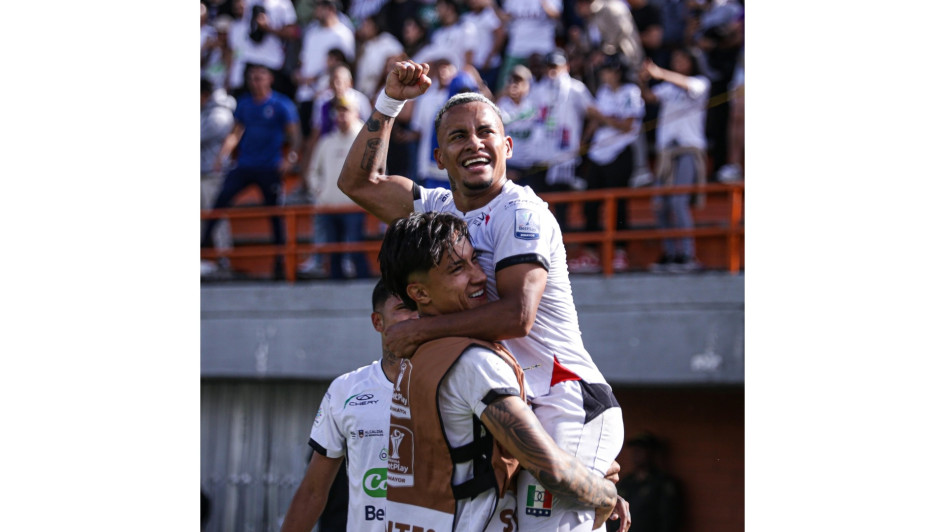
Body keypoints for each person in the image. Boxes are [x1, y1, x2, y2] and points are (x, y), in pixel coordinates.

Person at [338, 59, 626, 531]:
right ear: (439, 158)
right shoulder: (438, 208)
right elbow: (357, 184)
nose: (474, 143)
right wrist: (390, 102)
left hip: (565, 399)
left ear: (506, 145)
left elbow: (517, 315)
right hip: (506, 404)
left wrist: (421, 330)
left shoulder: (522, 212)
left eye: (485, 132)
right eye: (458, 136)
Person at [378, 211, 630, 532]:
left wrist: (583, 466)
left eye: (474, 261)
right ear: (420, 294)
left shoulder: (413, 353)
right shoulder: (473, 362)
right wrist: (603, 495)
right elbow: (550, 469)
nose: (480, 276)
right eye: (458, 269)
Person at [280, 280, 419, 532]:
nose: (415, 316)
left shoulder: (454, 383)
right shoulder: (345, 389)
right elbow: (313, 492)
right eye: (404, 308)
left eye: (420, 308)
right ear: (378, 322)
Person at [201, 63, 301, 279]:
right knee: (218, 204)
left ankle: (280, 263)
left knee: (275, 215)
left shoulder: (281, 104)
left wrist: (290, 158)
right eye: (252, 77)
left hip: (269, 167)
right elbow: (236, 132)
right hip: (245, 165)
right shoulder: (245, 105)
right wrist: (222, 156)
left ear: (269, 79)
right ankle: (203, 251)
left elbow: (294, 135)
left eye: (260, 77)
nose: (256, 81)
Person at [571, 54, 645, 274]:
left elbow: (628, 125)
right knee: (590, 203)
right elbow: (596, 120)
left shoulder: (630, 92)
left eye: (607, 70)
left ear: (617, 72)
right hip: (598, 152)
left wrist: (601, 117)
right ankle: (591, 254)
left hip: (621, 152)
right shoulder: (603, 92)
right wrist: (583, 142)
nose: (604, 74)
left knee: (619, 203)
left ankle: (620, 252)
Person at [639, 49, 708, 273]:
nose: (679, 63)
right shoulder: (668, 87)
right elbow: (649, 97)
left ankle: (688, 255)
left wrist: (660, 73)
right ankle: (671, 253)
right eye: (676, 59)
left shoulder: (700, 83)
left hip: (688, 150)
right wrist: (643, 81)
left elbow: (686, 84)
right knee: (660, 205)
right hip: (666, 154)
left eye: (683, 59)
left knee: (679, 201)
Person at [297, 96, 371, 280]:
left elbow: (379, 171)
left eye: (345, 110)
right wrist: (319, 192)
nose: (341, 115)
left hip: (354, 206)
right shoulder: (326, 142)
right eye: (338, 111)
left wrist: (365, 196)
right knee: (333, 254)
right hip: (329, 206)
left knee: (355, 250)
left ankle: (365, 289)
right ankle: (338, 289)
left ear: (356, 112)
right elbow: (313, 171)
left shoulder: (366, 139)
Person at [294, 0, 356, 139]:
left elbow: (344, 65)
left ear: (330, 9)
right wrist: (298, 74)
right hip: (305, 93)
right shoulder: (311, 32)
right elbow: (303, 60)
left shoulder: (343, 34)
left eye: (319, 7)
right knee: (305, 137)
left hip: (328, 94)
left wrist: (316, 78)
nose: (315, 11)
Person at [608, 432, 682, 532]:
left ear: (651, 453)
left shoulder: (662, 483)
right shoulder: (627, 481)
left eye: (641, 449)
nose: (636, 453)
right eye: (635, 449)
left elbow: (669, 519)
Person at [200, 78, 237, 277]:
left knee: (216, 218)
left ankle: (224, 259)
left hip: (214, 175)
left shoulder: (219, 115)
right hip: (201, 173)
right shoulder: (204, 112)